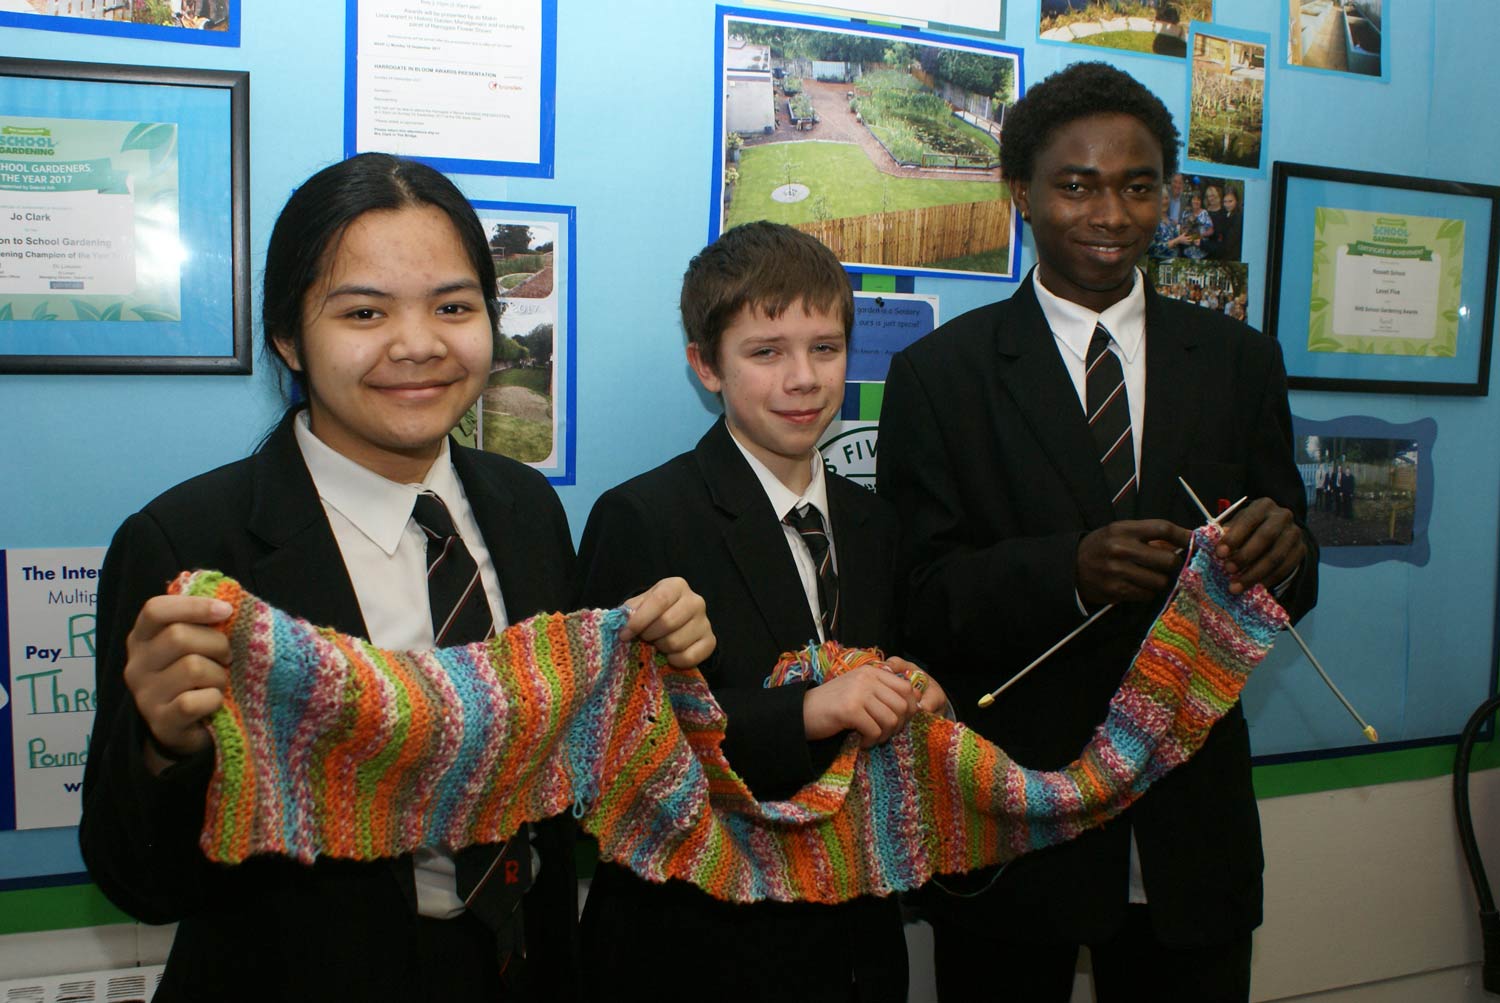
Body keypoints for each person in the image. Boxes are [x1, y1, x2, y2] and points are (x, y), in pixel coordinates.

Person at [78, 153, 714, 1003]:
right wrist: (164, 748)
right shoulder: (192, 546)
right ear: (286, 335)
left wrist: (654, 672)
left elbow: (564, 773)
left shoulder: (525, 508)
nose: (418, 344)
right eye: (365, 311)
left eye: (454, 306)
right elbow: (139, 881)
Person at [877, 62, 1318, 1002]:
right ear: (1021, 196)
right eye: (1076, 185)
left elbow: (1294, 577)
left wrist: (1286, 551)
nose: (1110, 213)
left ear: (1166, 194)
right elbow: (917, 598)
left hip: (1190, 834)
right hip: (1019, 825)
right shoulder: (940, 375)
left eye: (1138, 184)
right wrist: (1067, 573)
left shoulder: (1239, 363)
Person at [575, 221, 946, 1002]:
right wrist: (806, 710)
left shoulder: (875, 521)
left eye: (826, 347)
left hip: (854, 937)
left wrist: (917, 699)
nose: (804, 379)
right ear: (705, 366)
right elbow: (622, 750)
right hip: (703, 945)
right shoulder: (644, 516)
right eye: (766, 351)